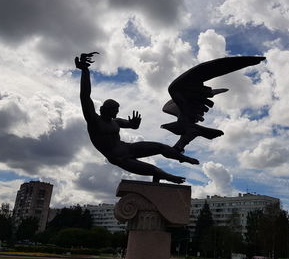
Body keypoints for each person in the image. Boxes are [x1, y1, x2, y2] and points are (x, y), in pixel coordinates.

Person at [75, 52, 198, 184]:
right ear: (106, 109)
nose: (117, 113)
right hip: (118, 158)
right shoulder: (93, 120)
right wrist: (85, 71)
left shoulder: (115, 122)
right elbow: (85, 96)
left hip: (127, 148)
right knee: (154, 170)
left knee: (161, 147)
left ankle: (182, 157)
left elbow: (131, 125)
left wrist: (134, 124)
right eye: (114, 110)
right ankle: (168, 176)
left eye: (117, 110)